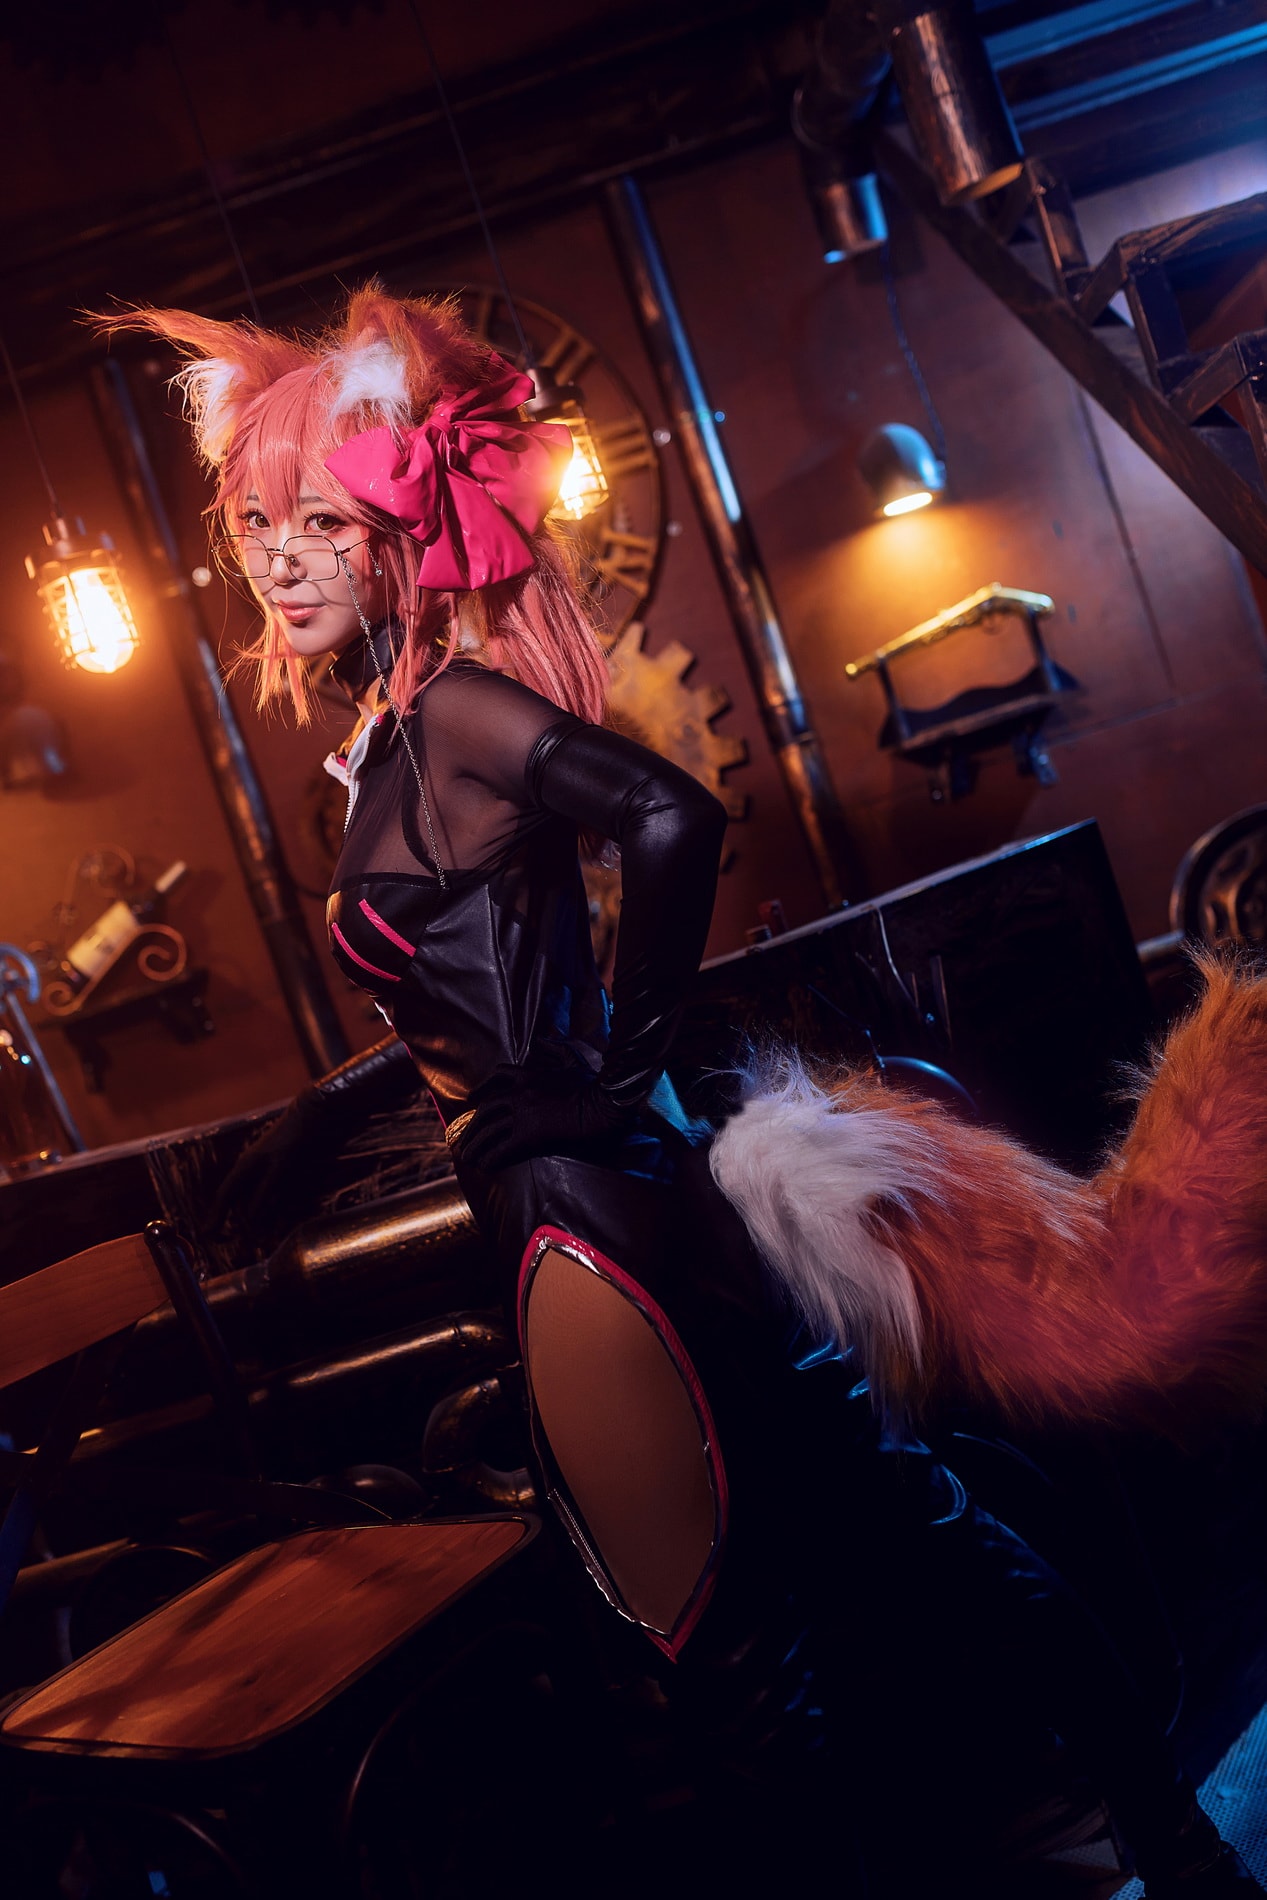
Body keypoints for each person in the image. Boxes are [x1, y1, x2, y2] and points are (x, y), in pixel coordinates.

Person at [103, 286, 1263, 1896]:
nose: (277, 561)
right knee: (904, 1539)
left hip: (581, 1227)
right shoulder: (394, 742)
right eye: (254, 527)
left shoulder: (453, 714)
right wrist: (343, 1112)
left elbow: (670, 819)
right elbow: (478, 984)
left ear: (398, 536)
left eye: (319, 522)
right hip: (627, 1202)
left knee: (722, 1662)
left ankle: (1160, 1845)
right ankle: (1177, 1847)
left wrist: (616, 1057)